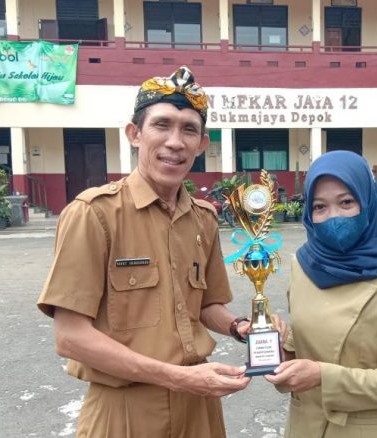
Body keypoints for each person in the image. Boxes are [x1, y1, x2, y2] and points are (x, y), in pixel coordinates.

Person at [37, 66, 255, 438]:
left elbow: (205, 305)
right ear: (135, 134)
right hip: (125, 410)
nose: (175, 142)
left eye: (189, 130)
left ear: (202, 144)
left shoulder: (203, 218)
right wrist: (179, 378)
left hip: (199, 409)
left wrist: (241, 327)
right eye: (162, 125)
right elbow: (70, 337)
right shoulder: (94, 214)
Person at [265, 150, 377, 437]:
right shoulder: (303, 264)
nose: (334, 216)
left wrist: (322, 376)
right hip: (305, 427)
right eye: (320, 206)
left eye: (346, 202)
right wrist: (274, 348)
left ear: (368, 202)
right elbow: (300, 346)